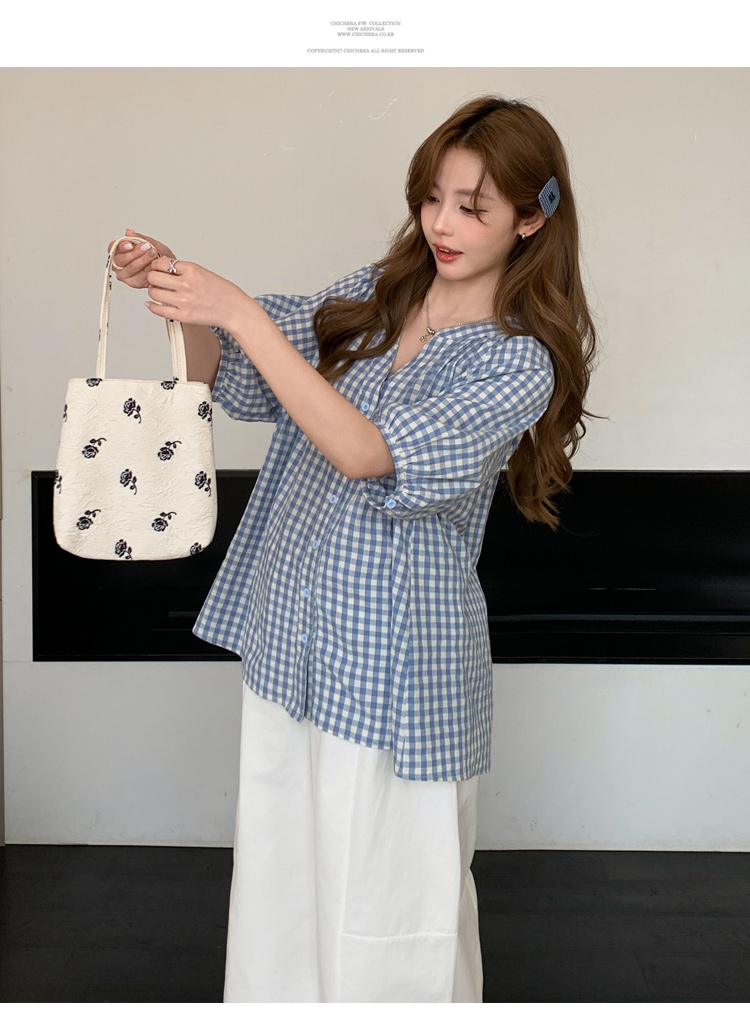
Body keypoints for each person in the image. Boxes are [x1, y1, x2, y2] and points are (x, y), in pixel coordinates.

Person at [109, 95, 596, 1003]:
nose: (442, 224)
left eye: (473, 207)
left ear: (531, 219)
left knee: (388, 900)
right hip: (292, 637)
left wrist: (240, 312)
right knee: (283, 888)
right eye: (434, 198)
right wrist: (176, 287)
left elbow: (369, 452)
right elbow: (227, 369)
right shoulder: (382, 294)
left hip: (392, 665)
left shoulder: (514, 360)